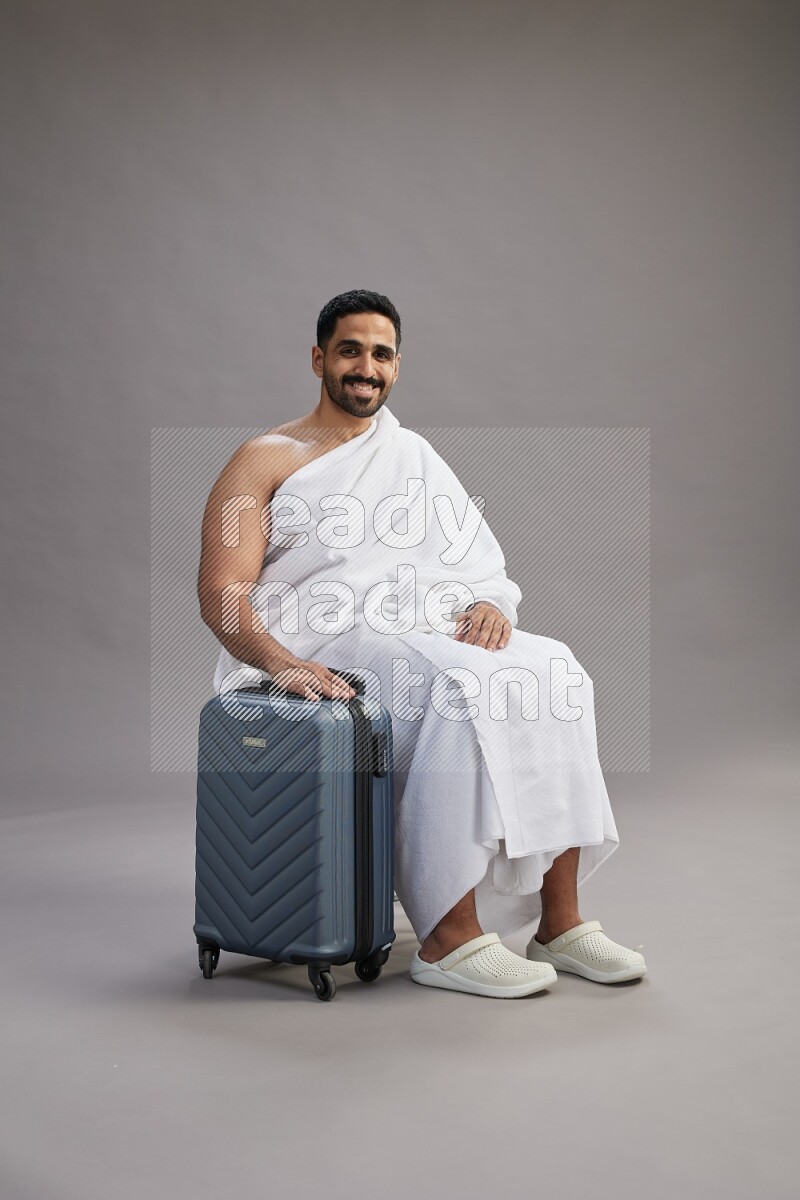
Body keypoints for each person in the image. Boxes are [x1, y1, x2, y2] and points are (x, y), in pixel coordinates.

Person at [197, 289, 647, 999]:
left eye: (380, 354)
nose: (365, 367)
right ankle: (447, 936)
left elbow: (477, 562)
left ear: (397, 367)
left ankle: (558, 924)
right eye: (350, 350)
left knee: (557, 668)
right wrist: (280, 662)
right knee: (453, 687)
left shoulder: (413, 455)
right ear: (319, 358)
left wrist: (488, 603)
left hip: (415, 624)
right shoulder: (260, 460)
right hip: (322, 640)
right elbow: (223, 592)